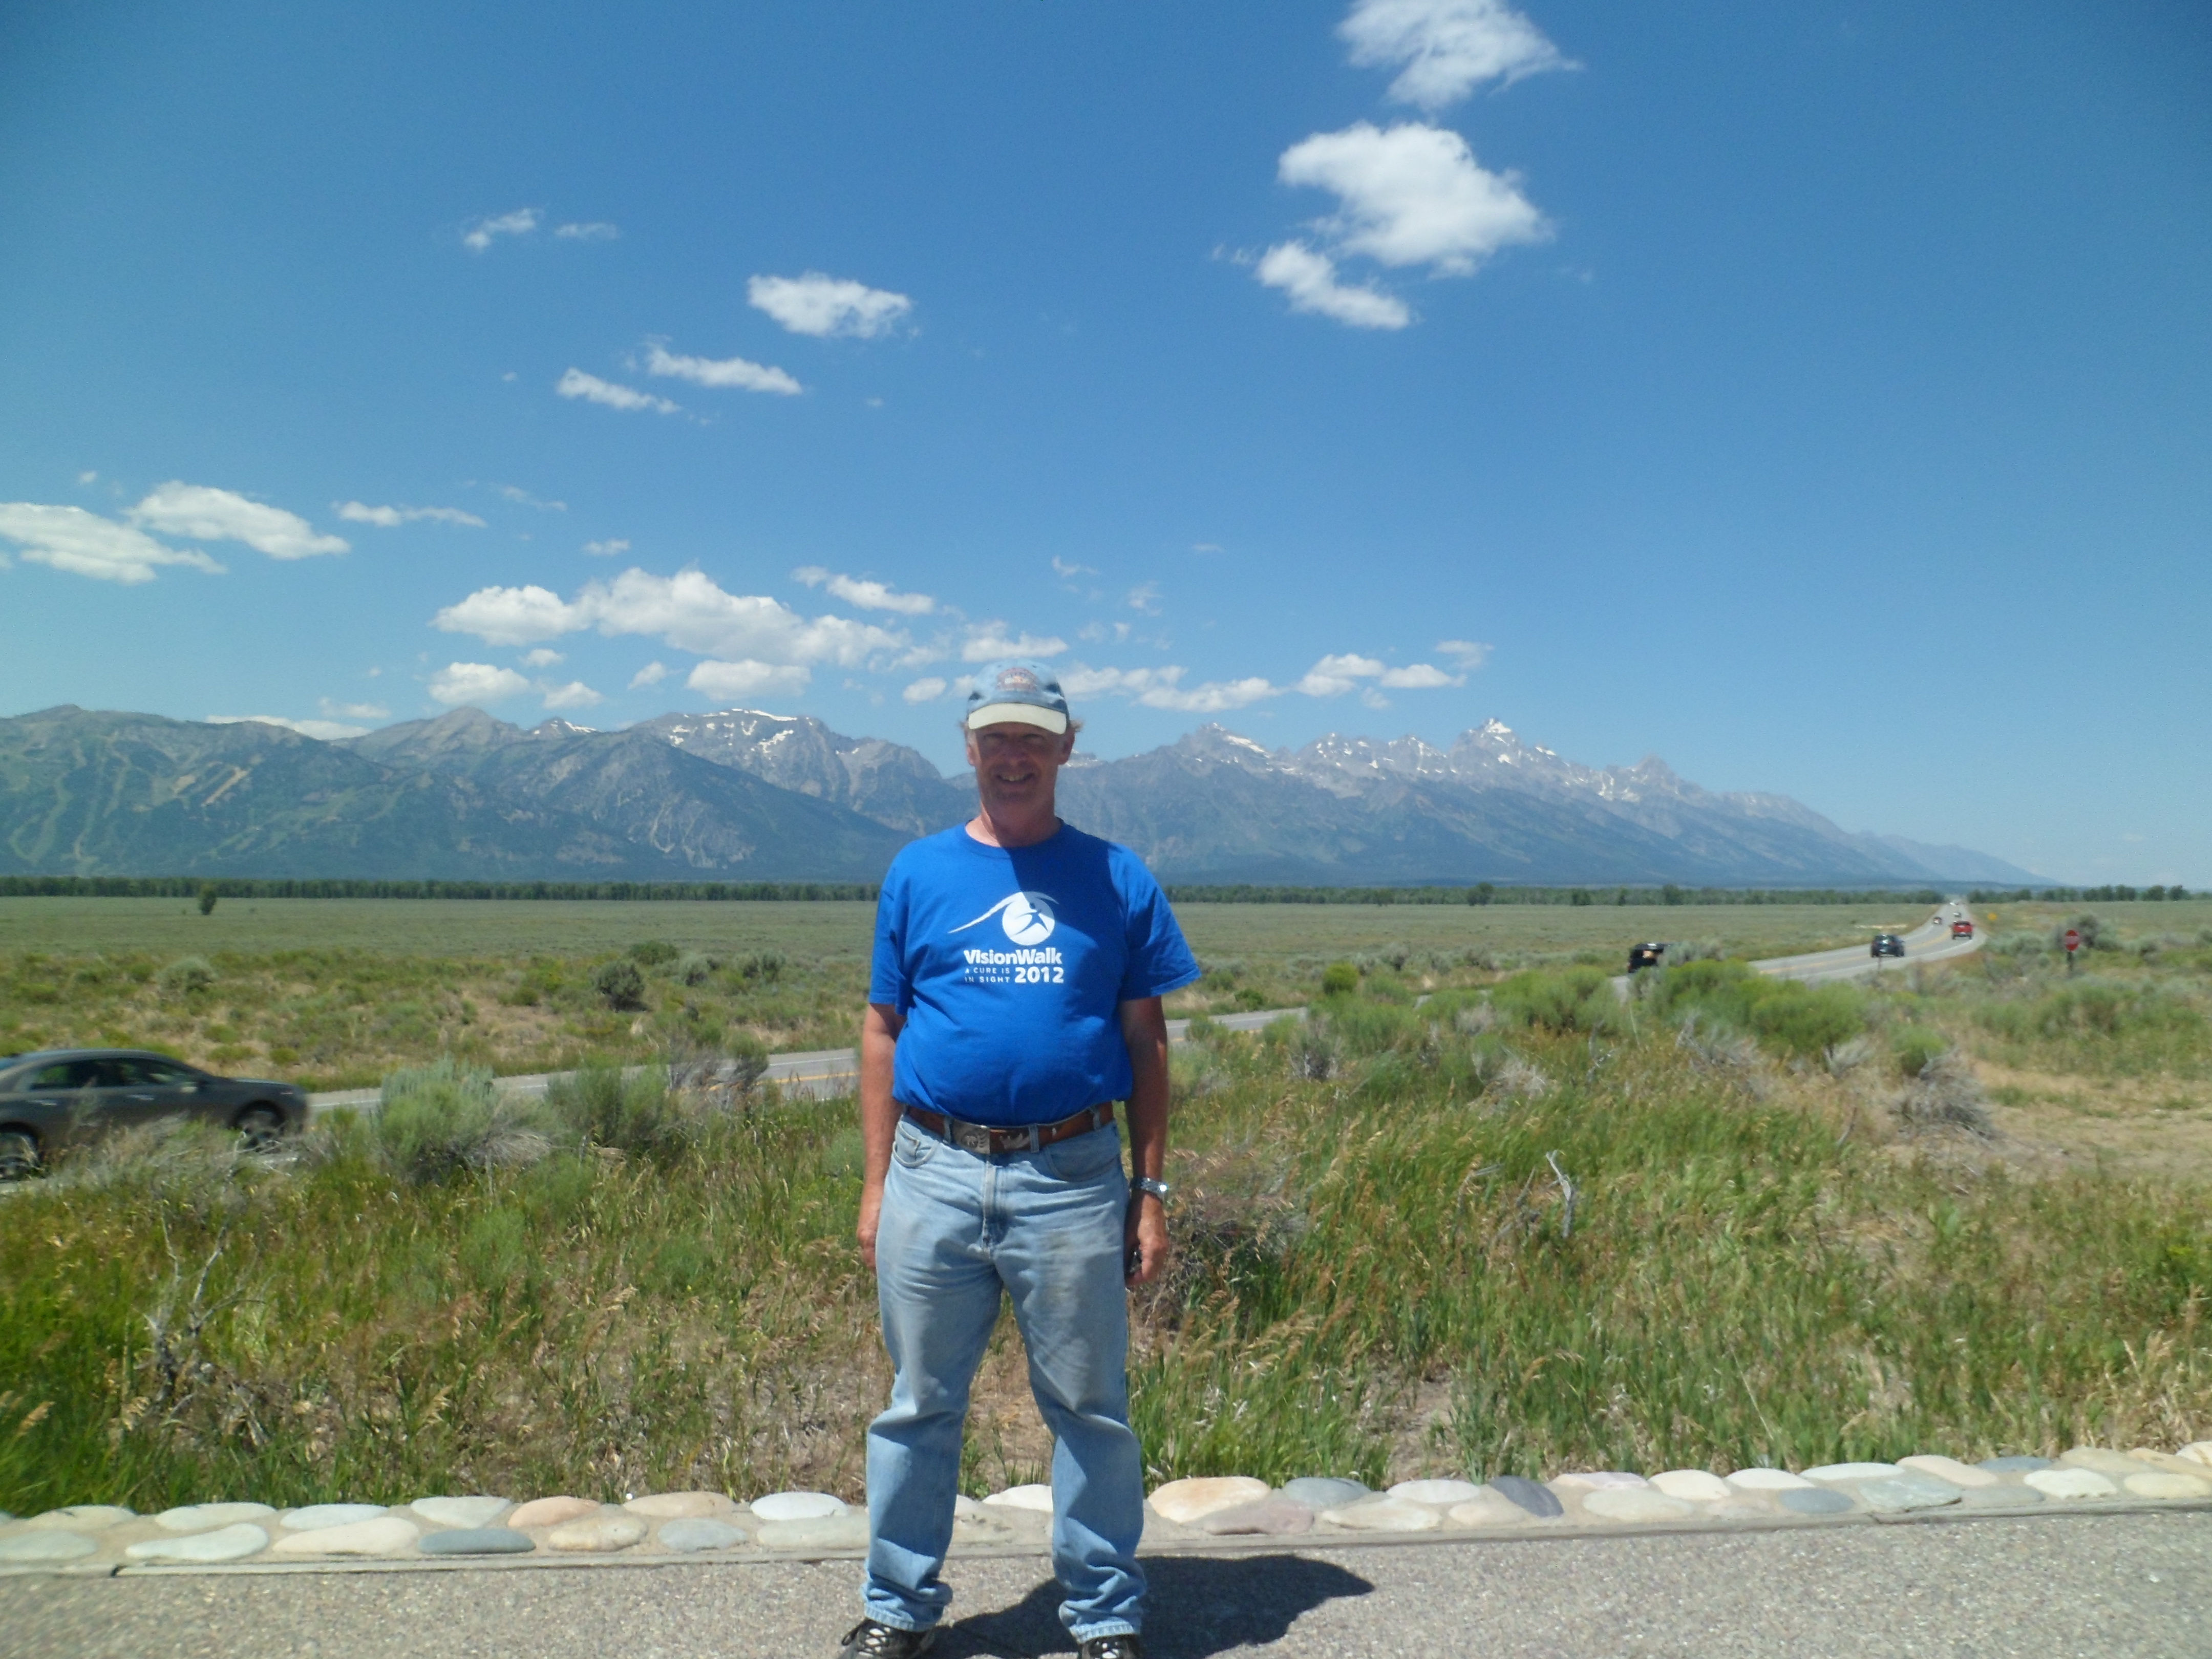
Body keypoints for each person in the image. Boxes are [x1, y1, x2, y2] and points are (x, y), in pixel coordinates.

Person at [841, 660, 1199, 1659]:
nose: (1014, 756)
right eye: (997, 737)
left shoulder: (1118, 877)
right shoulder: (918, 872)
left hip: (1073, 1176)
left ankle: (1105, 1613)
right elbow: (881, 1030)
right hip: (933, 1172)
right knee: (919, 1404)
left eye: (1033, 739)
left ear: (1067, 748)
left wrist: (1149, 1192)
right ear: (969, 747)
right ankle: (898, 1608)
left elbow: (1147, 1041)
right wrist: (876, 1184)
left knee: (1090, 1408)